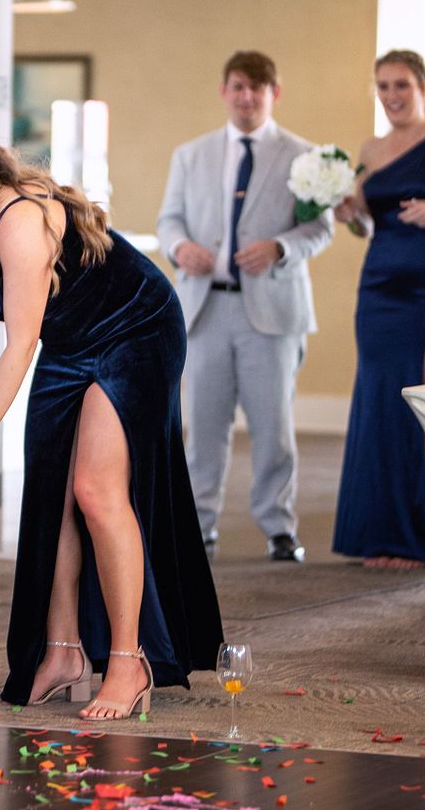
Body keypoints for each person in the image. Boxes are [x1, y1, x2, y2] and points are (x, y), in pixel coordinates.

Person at [0, 88, 222, 720]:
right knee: (51, 499)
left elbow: (20, 342)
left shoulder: (19, 219)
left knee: (94, 489)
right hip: (71, 340)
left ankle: (128, 661)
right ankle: (62, 654)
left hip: (134, 327)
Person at [157, 51, 333, 563]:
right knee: (203, 426)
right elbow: (169, 220)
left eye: (258, 88)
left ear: (274, 93)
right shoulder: (192, 155)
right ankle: (199, 526)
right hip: (205, 309)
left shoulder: (305, 156)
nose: (247, 96)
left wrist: (280, 248)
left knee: (273, 425)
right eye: (238, 86)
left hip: (272, 311)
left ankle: (279, 527)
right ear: (224, 90)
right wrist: (178, 249)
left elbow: (320, 228)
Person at [332, 50, 425, 569]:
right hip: (379, 287)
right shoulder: (372, 146)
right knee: (383, 404)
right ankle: (386, 533)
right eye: (383, 86)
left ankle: (422, 537)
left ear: (424, 86)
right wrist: (350, 214)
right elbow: (368, 223)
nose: (391, 96)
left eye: (402, 86)